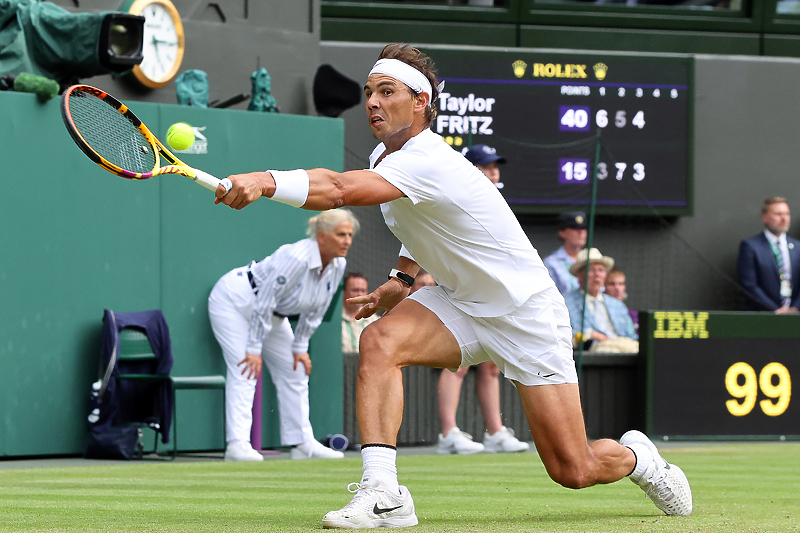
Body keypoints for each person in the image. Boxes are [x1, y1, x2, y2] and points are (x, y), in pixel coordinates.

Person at [215, 43, 692, 527]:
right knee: (380, 341)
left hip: (525, 312)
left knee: (574, 469)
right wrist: (401, 278)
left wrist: (265, 180)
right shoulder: (387, 155)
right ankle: (385, 493)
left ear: (421, 101)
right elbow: (421, 226)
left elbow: (338, 189)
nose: (373, 103)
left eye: (387, 92)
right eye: (369, 93)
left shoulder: (427, 159)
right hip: (463, 302)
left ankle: (640, 460)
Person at [208, 209, 359, 461]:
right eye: (341, 234)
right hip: (235, 301)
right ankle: (237, 445)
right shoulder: (296, 257)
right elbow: (265, 300)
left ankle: (301, 443)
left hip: (273, 315)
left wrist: (300, 346)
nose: (346, 241)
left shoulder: (338, 265)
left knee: (295, 368)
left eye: (350, 235)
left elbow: (316, 309)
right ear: (322, 237)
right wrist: (254, 348)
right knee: (245, 368)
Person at [435, 149, 529, 455]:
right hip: (458, 287)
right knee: (456, 365)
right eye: (484, 167)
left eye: (494, 168)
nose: (492, 172)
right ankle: (448, 433)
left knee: (490, 366)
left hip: (491, 291)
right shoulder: (454, 196)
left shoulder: (497, 203)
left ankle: (495, 432)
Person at [563, 249, 638, 353]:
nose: (597, 274)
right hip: (593, 354)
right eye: (591, 270)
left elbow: (631, 335)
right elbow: (565, 334)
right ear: (579, 275)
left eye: (601, 270)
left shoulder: (617, 304)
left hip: (626, 351)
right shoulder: (566, 302)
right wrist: (592, 334)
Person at [737, 196, 800, 313]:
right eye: (778, 214)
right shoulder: (751, 246)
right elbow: (749, 285)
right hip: (763, 317)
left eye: (787, 214)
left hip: (795, 318)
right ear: (765, 217)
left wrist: (795, 308)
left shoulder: (797, 247)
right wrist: (775, 311)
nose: (784, 219)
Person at [543, 212, 588, 295]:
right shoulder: (551, 263)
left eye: (583, 228)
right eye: (574, 228)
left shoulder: (591, 259)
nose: (580, 232)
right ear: (562, 233)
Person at [342, 272, 381, 353]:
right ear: (344, 292)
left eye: (363, 291)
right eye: (355, 290)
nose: (359, 294)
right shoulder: (334, 319)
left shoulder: (375, 320)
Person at [605, 267, 639, 333]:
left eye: (621, 284)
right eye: (611, 284)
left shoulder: (633, 315)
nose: (617, 288)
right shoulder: (599, 311)